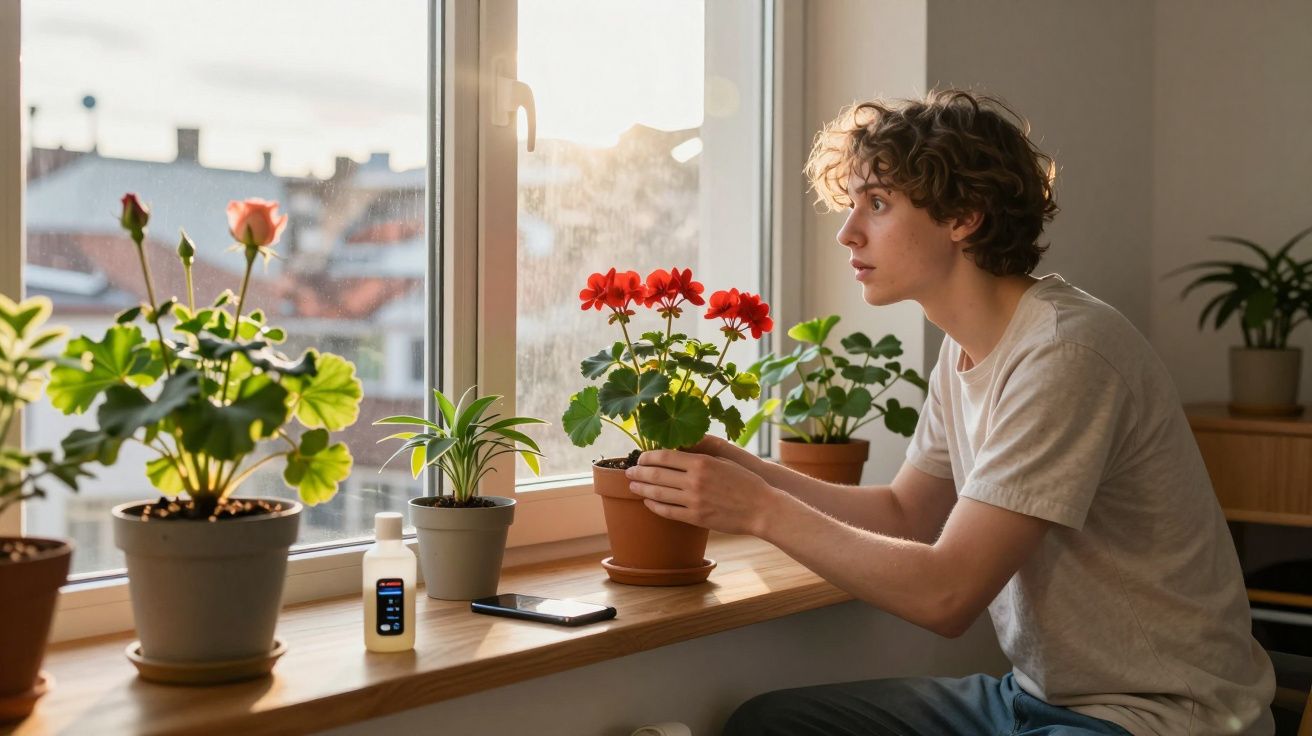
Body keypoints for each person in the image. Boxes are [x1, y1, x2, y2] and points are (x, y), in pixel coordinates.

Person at [623, 89, 1275, 735]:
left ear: (964, 215)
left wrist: (757, 509)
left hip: (1162, 716)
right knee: (769, 725)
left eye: (877, 204)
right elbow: (907, 515)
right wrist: (747, 469)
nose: (848, 232)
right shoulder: (965, 350)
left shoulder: (1065, 353)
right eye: (851, 206)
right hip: (1027, 701)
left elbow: (946, 595)